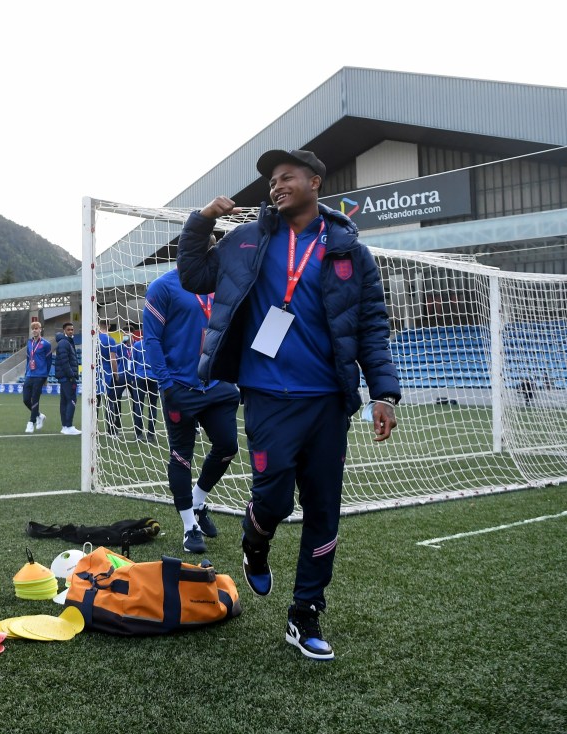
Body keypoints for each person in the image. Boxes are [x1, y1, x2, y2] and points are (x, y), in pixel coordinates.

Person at [177, 149, 400, 661]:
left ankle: (305, 615)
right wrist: (203, 220)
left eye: (286, 177)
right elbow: (193, 275)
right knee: (273, 501)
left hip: (327, 400)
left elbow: (371, 327)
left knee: (324, 511)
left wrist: (383, 392)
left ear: (315, 181)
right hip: (267, 394)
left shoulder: (349, 252)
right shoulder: (247, 240)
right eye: (272, 181)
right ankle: (255, 544)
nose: (276, 186)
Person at [143, 268, 240, 554]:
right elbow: (151, 338)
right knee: (181, 455)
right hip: (180, 386)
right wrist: (166, 384)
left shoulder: (222, 284)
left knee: (228, 445)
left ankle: (198, 501)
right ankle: (189, 528)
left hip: (217, 384)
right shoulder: (163, 287)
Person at [122, 326, 159, 443]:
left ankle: (138, 434)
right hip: (153, 377)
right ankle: (151, 435)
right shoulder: (156, 344)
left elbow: (132, 362)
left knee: (138, 406)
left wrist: (132, 377)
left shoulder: (137, 345)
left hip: (140, 377)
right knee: (152, 406)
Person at [22, 321, 52, 433]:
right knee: (25, 399)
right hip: (30, 374)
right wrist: (26, 372)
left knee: (35, 399)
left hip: (40, 375)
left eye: (37, 328)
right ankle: (39, 415)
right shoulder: (29, 343)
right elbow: (28, 359)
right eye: (33, 328)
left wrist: (46, 376)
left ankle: (31, 422)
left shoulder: (46, 344)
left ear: (41, 329)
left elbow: (49, 361)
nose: (35, 330)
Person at [97, 320, 126, 436]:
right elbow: (113, 359)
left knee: (95, 402)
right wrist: (116, 374)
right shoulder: (110, 340)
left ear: (98, 326)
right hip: (107, 374)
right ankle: (111, 429)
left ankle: (94, 428)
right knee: (110, 402)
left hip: (95, 373)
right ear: (108, 326)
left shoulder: (93, 339)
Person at [53, 322, 81, 435]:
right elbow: (65, 362)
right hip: (67, 377)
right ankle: (69, 426)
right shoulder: (65, 343)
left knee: (64, 401)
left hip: (64, 377)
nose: (71, 331)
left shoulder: (66, 342)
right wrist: (71, 375)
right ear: (64, 330)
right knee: (72, 400)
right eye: (69, 330)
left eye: (72, 329)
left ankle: (65, 426)